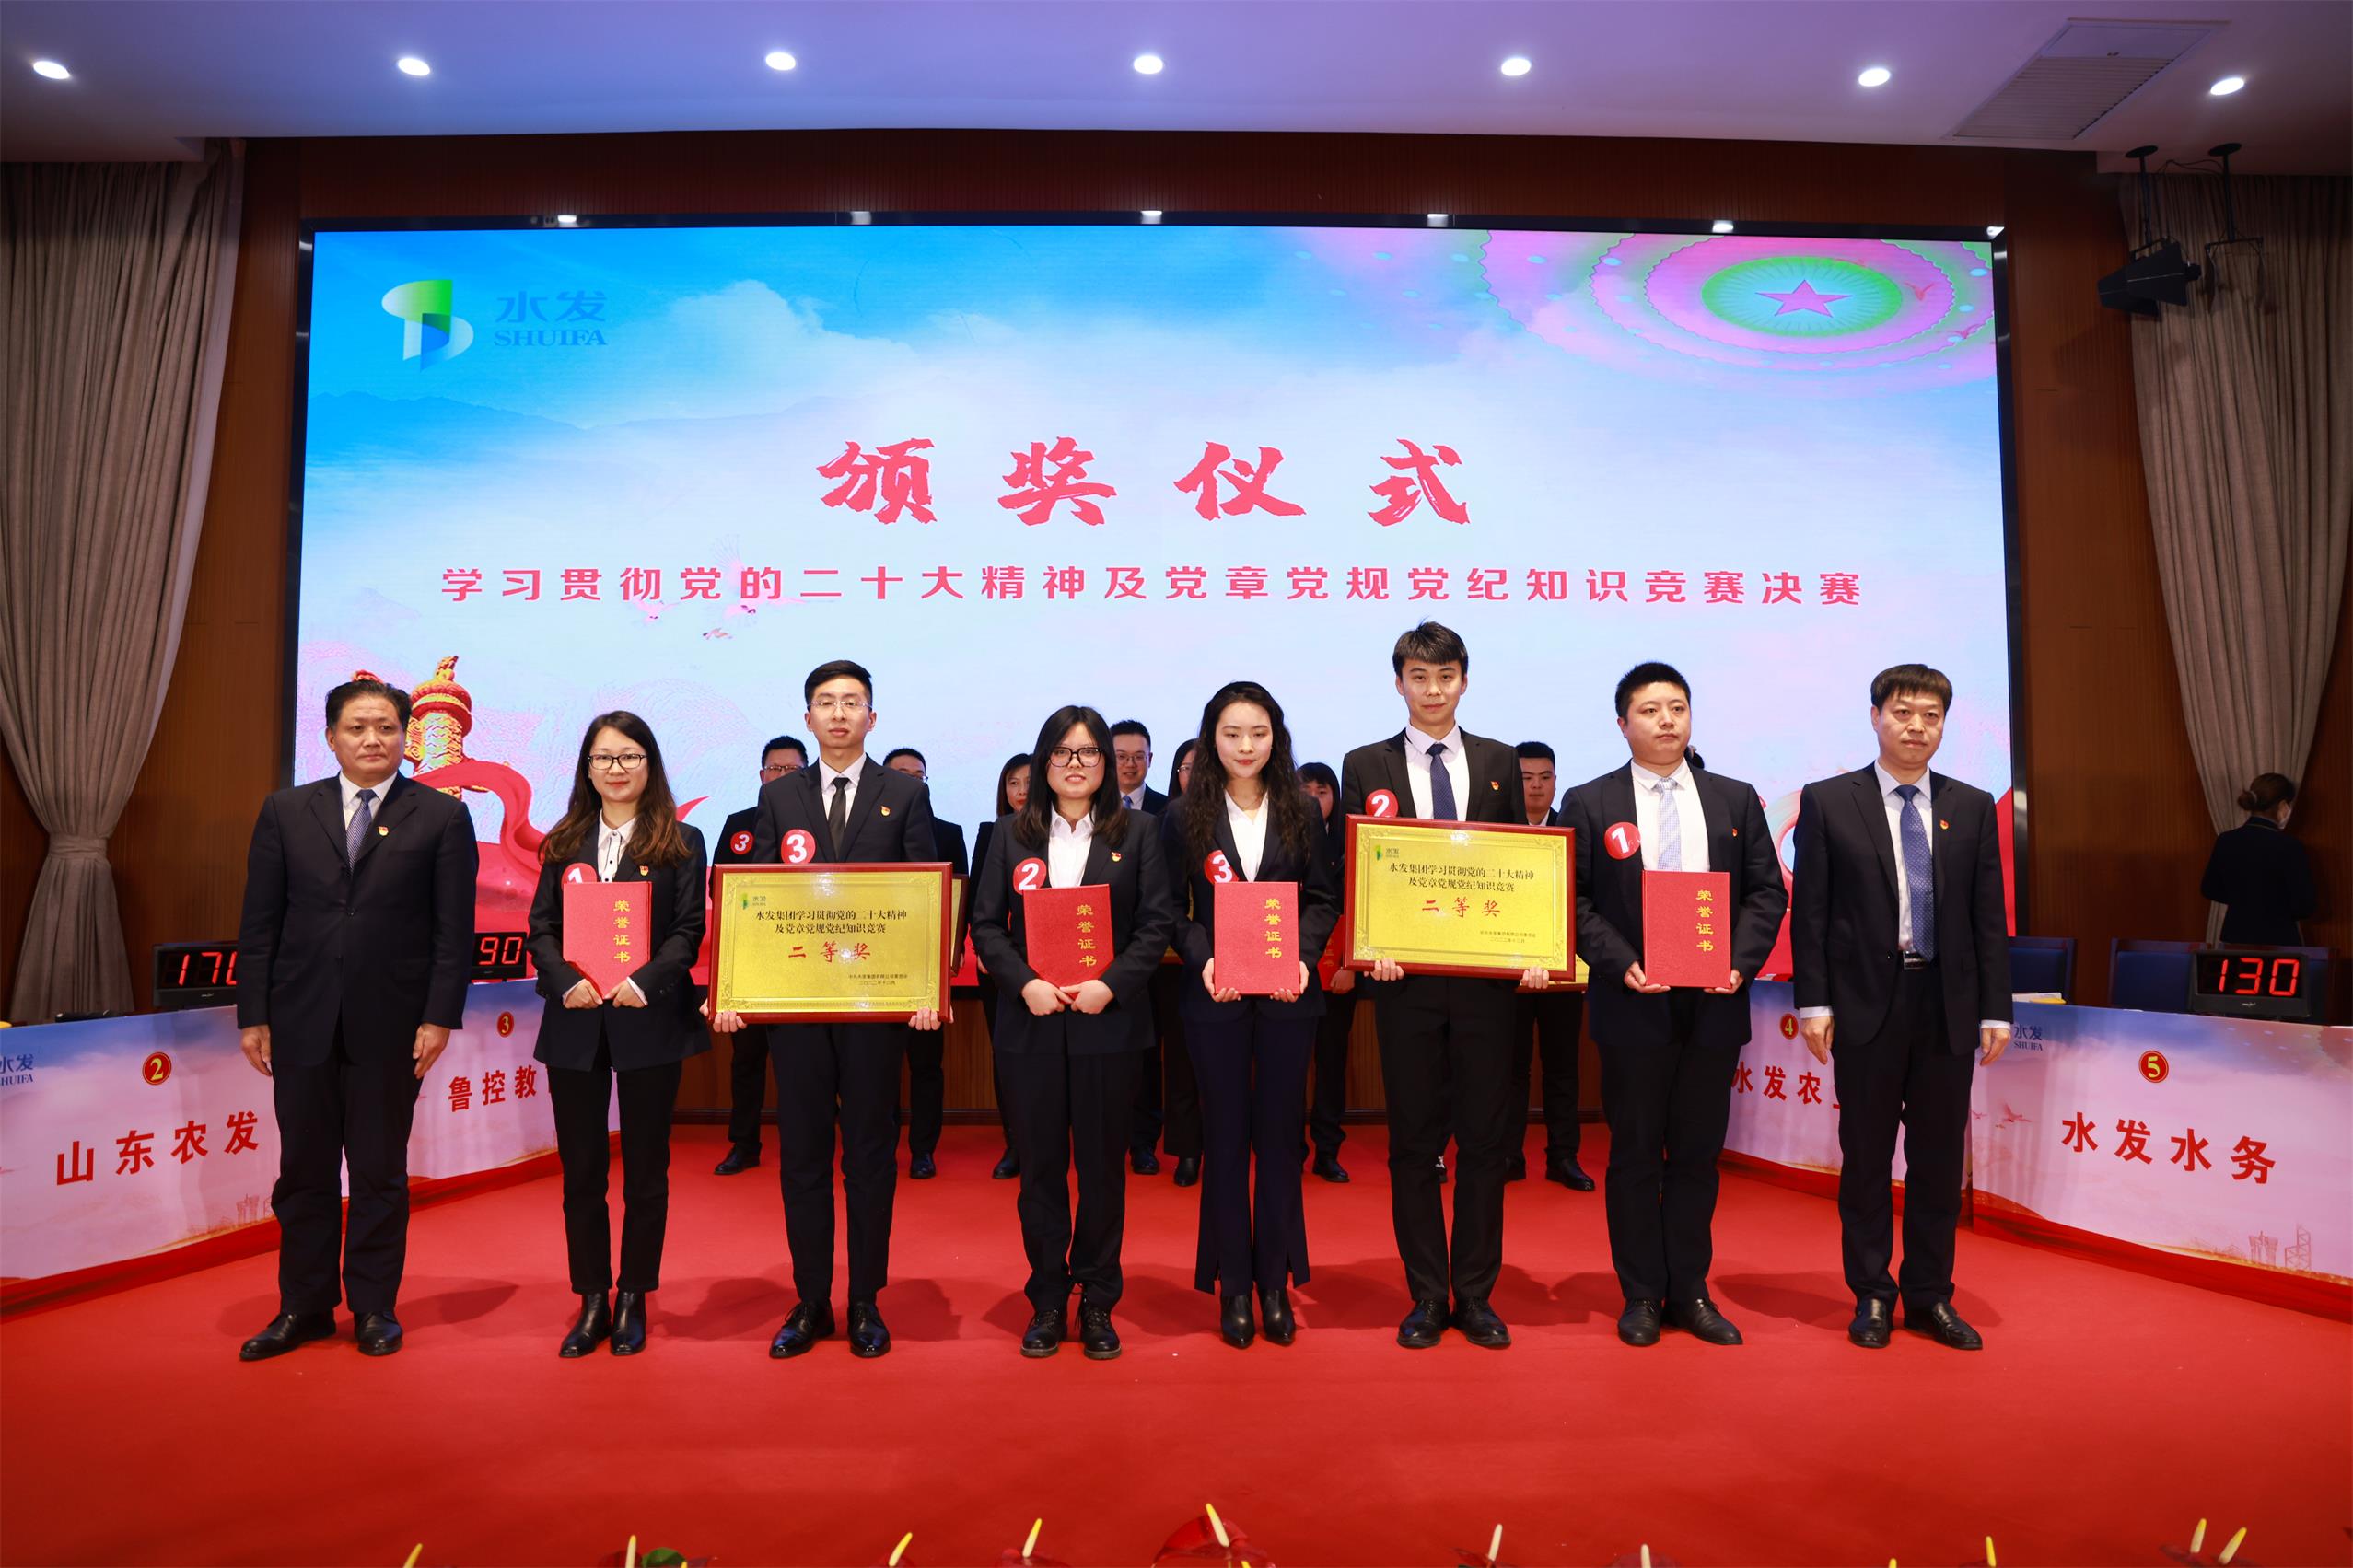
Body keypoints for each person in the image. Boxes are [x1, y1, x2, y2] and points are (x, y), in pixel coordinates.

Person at [233, 677, 478, 1360]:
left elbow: (452, 932)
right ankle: (304, 1306)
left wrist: (439, 1015)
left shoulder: (440, 815)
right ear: (331, 737)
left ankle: (373, 1306)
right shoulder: (286, 810)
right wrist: (254, 1013)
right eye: (358, 727)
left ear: (406, 737)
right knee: (303, 1173)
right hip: (300, 1018)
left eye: (386, 728)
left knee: (378, 1172)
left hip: (393, 1025)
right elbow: (260, 922)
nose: (373, 739)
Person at [712, 659, 942, 1361]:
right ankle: (811, 1298)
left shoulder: (903, 794)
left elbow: (922, 895)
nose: (839, 713)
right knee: (803, 1156)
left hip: (874, 1009)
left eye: (851, 702)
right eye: (825, 702)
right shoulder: (779, 797)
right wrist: (735, 988)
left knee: (870, 1154)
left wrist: (925, 988)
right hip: (800, 1007)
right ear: (807, 717)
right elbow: (755, 900)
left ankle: (866, 1298)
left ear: (872, 716)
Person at [1561, 668, 1787, 1348]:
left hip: (1714, 1003)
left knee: (1695, 1154)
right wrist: (1618, 959)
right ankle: (1639, 1293)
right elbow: (1573, 899)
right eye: (1650, 710)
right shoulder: (1589, 800)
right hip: (1633, 1003)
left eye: (1677, 708)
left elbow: (1765, 892)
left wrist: (1739, 961)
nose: (1666, 720)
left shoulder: (1733, 798)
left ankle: (1689, 1290)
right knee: (1634, 1153)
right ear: (1622, 723)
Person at [1338, 621, 1545, 1351]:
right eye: (1419, 677)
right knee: (1413, 1144)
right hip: (1405, 986)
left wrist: (1531, 948)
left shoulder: (1497, 760)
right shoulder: (1363, 763)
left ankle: (1476, 1294)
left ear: (1464, 680)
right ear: (1398, 682)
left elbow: (1520, 869)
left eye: (1445, 676)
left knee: (1486, 1144)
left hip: (1485, 988)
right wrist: (1371, 944)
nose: (1432, 690)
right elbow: (1357, 866)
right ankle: (1427, 1294)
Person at [1793, 663, 2011, 1352]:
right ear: (1875, 717)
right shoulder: (1830, 801)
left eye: (1930, 716)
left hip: (1946, 1006)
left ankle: (1928, 1294)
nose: (1916, 727)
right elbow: (1812, 912)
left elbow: (1987, 918)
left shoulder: (1971, 805)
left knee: (1938, 1161)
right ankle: (1871, 1294)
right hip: (1865, 1004)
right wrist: (1814, 1000)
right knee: (1866, 1158)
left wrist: (1995, 1009)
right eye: (1903, 712)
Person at [971, 707, 1176, 1359]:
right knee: (1040, 1171)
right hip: (1030, 1024)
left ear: (1106, 764)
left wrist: (1110, 984)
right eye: (1062, 753)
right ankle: (1047, 1297)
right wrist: (1024, 983)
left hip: (1107, 1024)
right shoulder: (1008, 835)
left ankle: (1097, 1299)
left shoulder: (1139, 832)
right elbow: (985, 924)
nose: (1076, 764)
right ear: (1043, 763)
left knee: (1102, 1170)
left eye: (1089, 753)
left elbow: (1156, 923)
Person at [526, 712, 709, 1358]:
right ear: (587, 768)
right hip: (576, 1018)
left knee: (646, 1170)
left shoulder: (680, 839)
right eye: (603, 757)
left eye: (630, 756)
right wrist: (562, 980)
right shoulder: (563, 839)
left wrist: (645, 981)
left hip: (647, 1017)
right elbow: (541, 927)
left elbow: (688, 929)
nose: (616, 768)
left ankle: (633, 1293)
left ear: (649, 764)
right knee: (581, 1170)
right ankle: (592, 1297)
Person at [1166, 684, 1342, 1347]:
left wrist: (1303, 957)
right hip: (1215, 998)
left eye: (1259, 733)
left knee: (1278, 1140)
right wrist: (1203, 957)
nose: (1246, 746)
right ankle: (1233, 1285)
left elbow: (1323, 898)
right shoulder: (1183, 815)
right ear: (1211, 737)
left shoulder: (1301, 808)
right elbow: (1169, 909)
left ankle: (1275, 1281)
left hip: (1288, 999)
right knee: (1224, 1139)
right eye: (1232, 733)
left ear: (1276, 737)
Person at [713, 735, 806, 1177]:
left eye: (793, 770)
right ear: (761, 775)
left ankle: (804, 1144)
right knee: (747, 1058)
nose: (782, 777)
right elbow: (720, 890)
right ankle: (744, 1143)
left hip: (805, 959)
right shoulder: (739, 824)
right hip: (751, 960)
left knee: (801, 1063)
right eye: (775, 769)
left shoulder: (818, 822)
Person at [1509, 742, 1592, 1191]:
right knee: (1510, 1068)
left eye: (1545, 778)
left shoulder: (1574, 830)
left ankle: (1563, 1157)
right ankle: (1509, 1155)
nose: (1536, 787)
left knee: (1562, 1068)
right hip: (1508, 972)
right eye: (1526, 778)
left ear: (1556, 781)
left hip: (1564, 971)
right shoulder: (1496, 828)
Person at [886, 745, 968, 1180]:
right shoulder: (867, 829)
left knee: (925, 1063)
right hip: (874, 962)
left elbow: (959, 899)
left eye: (918, 775)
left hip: (925, 964)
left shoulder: (949, 833)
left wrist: (949, 951)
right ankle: (882, 1145)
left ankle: (923, 1148)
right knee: (877, 1065)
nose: (911, 782)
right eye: (901, 774)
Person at [1135, 738, 1205, 1183]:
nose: (1195, 775)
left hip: (1201, 961)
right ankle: (1142, 1141)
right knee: (1145, 1056)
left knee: (1185, 1061)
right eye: (1187, 767)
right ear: (1176, 773)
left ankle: (1187, 1148)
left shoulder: (1225, 823)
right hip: (1152, 960)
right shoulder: (1159, 822)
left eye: (1203, 765)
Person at [974, 751, 1033, 1180]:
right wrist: (984, 948)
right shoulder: (993, 832)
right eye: (1013, 783)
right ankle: (1015, 1141)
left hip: (1051, 962)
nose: (1021, 791)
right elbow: (980, 899)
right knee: (1007, 1054)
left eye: (1028, 782)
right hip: (1000, 960)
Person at [1298, 761, 1357, 1183]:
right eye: (1306, 791)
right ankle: (1290, 1147)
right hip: (1289, 972)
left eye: (1322, 791)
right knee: (1289, 1067)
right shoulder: (1282, 839)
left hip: (1338, 975)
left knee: (1332, 1065)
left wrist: (1350, 966)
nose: (1314, 800)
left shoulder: (1349, 844)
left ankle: (1327, 1150)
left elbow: (1358, 909)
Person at [2200, 772, 2316, 946]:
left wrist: (2242, 902)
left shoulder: (2226, 840)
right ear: (2283, 805)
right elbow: (2305, 905)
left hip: (2236, 936)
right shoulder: (2289, 846)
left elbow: (2209, 889)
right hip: (2279, 938)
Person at [1112, 720, 1168, 813]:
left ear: (1150, 759)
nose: (1130, 764)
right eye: (1121, 756)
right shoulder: (1094, 804)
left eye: (1138, 757)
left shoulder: (1168, 808)